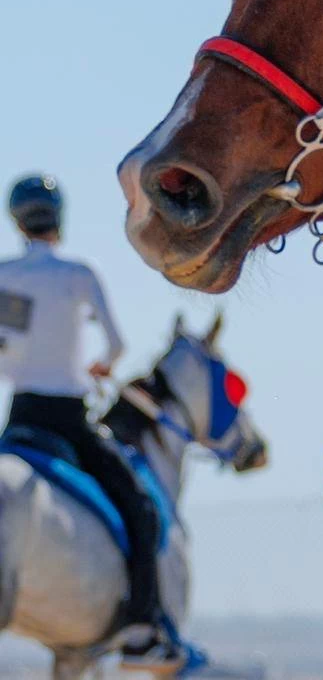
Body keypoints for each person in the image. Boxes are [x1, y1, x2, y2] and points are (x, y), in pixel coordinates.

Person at [0, 174, 183, 673]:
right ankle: (143, 631)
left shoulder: (6, 275)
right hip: (68, 419)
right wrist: (100, 366)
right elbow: (116, 346)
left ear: (17, 220)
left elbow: (4, 347)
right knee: (140, 508)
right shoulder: (78, 273)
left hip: (19, 420)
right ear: (58, 217)